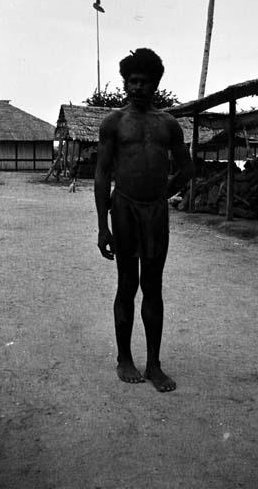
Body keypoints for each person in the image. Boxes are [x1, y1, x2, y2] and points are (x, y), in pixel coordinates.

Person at [94, 48, 194, 392]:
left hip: (155, 212)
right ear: (125, 83)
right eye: (132, 81)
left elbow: (187, 168)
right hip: (122, 209)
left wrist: (162, 194)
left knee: (153, 286)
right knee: (127, 285)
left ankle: (154, 364)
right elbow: (102, 173)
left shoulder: (168, 125)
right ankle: (125, 358)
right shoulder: (114, 123)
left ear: (155, 84)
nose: (137, 87)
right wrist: (102, 225)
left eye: (144, 81)